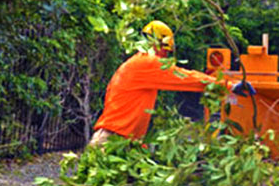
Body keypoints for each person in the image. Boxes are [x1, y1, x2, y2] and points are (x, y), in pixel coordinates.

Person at [90, 20, 254, 145]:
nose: (166, 56)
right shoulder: (146, 63)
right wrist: (229, 85)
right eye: (166, 50)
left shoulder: (135, 65)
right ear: (157, 43)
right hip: (111, 140)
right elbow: (185, 77)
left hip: (122, 140)